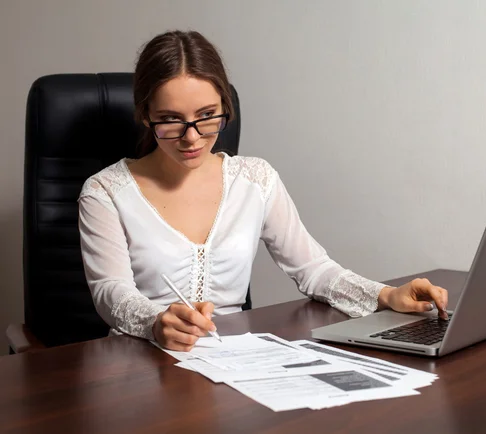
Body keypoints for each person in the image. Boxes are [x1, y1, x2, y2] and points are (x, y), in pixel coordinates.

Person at [78, 30, 449, 352]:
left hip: (233, 360)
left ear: (225, 105)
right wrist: (156, 321)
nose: (192, 137)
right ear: (145, 114)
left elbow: (314, 270)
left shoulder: (255, 179)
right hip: (138, 365)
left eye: (208, 115)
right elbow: (111, 291)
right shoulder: (105, 192)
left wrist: (385, 295)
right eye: (172, 120)